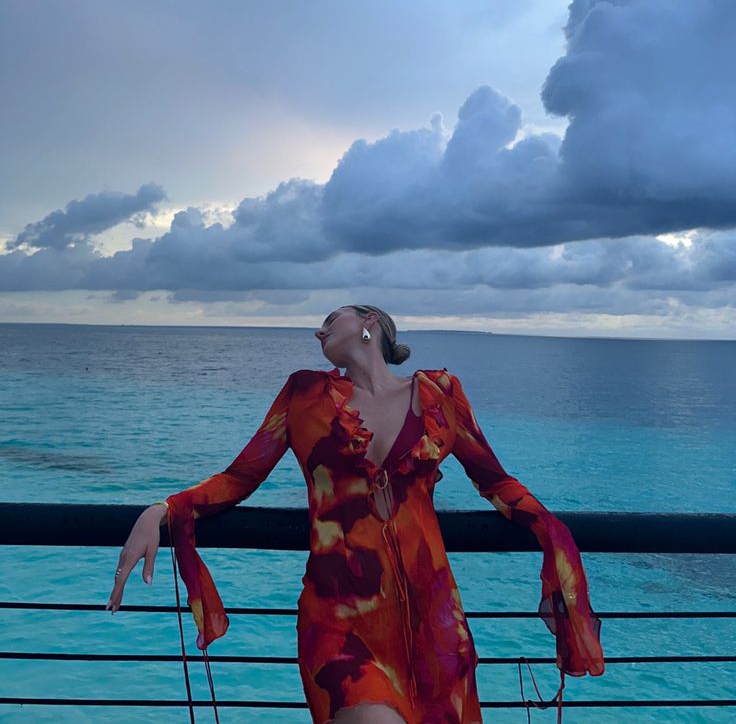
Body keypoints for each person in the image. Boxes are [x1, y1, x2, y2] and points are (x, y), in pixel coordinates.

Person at [106, 304, 604, 723]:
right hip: (340, 616)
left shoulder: (441, 395)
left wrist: (553, 532)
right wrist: (163, 509)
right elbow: (240, 478)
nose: (318, 331)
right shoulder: (304, 396)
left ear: (370, 324)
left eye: (330, 319)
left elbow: (494, 482)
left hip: (436, 625)